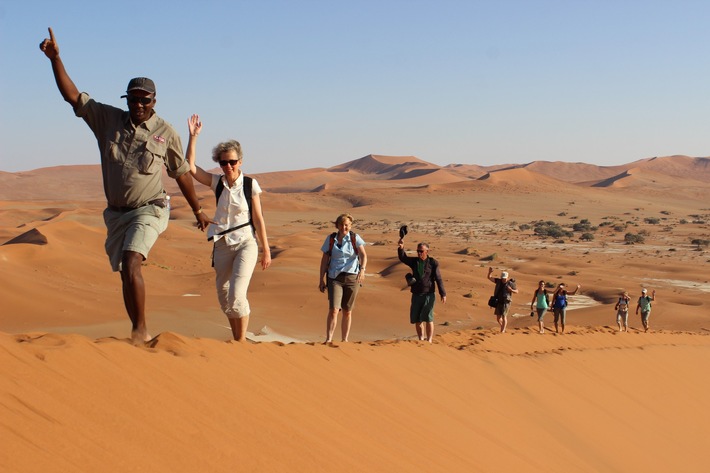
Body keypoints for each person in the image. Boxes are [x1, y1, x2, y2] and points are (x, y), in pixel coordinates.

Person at [39, 28, 212, 344]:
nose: (137, 104)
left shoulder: (165, 132)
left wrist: (198, 209)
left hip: (150, 209)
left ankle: (140, 330)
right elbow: (73, 97)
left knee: (133, 261)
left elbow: (182, 173)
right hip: (116, 215)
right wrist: (56, 59)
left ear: (154, 101)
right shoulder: (107, 119)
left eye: (143, 100)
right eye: (132, 99)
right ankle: (137, 330)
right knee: (124, 270)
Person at [185, 115, 271, 341]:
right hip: (222, 243)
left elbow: (259, 219)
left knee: (236, 294)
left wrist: (266, 250)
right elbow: (191, 167)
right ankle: (236, 339)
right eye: (224, 162)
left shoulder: (250, 185)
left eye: (232, 162)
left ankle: (241, 342)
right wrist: (193, 137)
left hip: (246, 243)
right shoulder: (217, 183)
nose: (229, 166)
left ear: (240, 161)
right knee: (224, 296)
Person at [319, 214, 367, 343]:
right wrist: (321, 279)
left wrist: (362, 270)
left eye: (346, 225)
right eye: (341, 224)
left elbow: (363, 255)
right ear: (337, 225)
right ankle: (328, 339)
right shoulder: (331, 239)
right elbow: (324, 260)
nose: (344, 227)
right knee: (334, 309)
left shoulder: (355, 238)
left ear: (350, 226)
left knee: (347, 311)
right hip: (334, 277)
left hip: (352, 277)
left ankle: (344, 340)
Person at [398, 240, 446, 342]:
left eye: (421, 251)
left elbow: (438, 279)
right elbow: (403, 258)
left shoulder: (433, 263)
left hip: (428, 294)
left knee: (428, 318)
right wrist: (401, 248)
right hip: (416, 294)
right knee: (417, 318)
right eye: (418, 251)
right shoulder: (415, 262)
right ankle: (420, 339)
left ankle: (429, 340)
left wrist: (443, 293)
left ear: (427, 251)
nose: (419, 253)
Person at [487, 268, 518, 333]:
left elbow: (517, 291)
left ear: (507, 277)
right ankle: (502, 326)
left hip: (506, 302)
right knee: (498, 318)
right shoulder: (498, 281)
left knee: (504, 316)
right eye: (503, 278)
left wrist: (511, 290)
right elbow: (489, 277)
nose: (503, 279)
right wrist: (490, 272)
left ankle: (503, 330)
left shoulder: (510, 283)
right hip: (498, 301)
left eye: (505, 278)